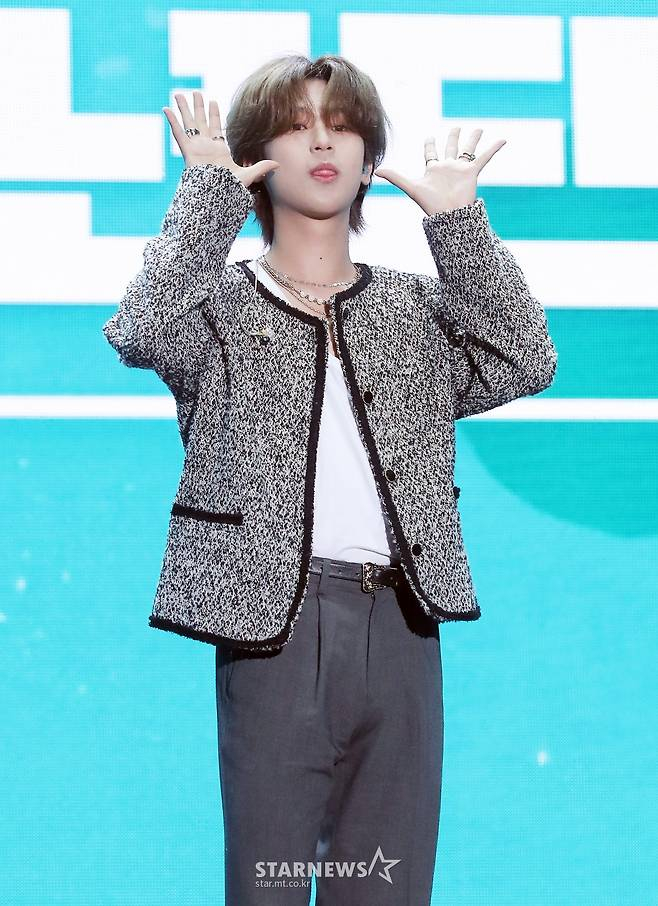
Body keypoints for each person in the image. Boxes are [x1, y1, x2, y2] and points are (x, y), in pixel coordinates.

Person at [104, 53, 557, 906]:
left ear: (369, 156)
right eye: (297, 124)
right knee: (269, 886)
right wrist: (207, 196)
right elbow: (140, 327)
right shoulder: (216, 308)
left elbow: (525, 358)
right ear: (256, 156)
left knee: (389, 888)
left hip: (404, 621)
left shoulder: (412, 307)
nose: (322, 142)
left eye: (343, 126)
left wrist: (460, 227)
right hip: (273, 624)